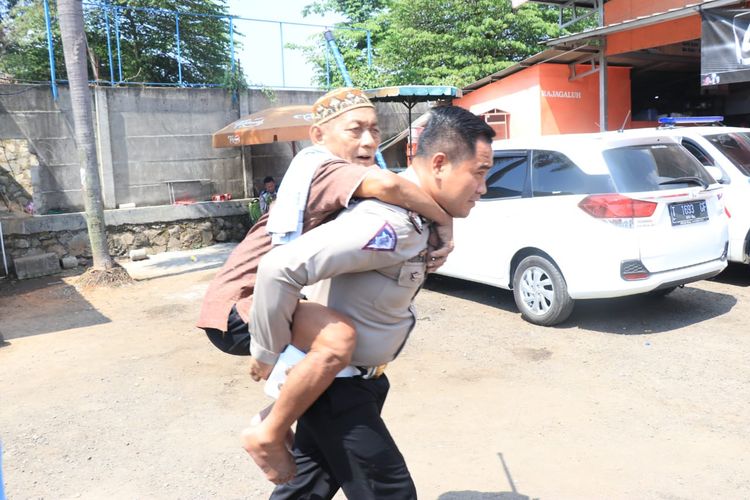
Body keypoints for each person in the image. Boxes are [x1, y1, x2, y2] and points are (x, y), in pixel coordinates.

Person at [197, 88, 455, 483]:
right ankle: (266, 431)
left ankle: (275, 421)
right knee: (337, 341)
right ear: (319, 135)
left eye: (374, 129)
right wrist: (444, 221)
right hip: (242, 302)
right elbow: (389, 187)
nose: (368, 141)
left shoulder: (322, 169)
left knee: (318, 442)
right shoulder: (328, 167)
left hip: (262, 297)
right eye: (355, 130)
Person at [247, 105, 495, 498]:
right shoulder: (393, 223)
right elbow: (279, 267)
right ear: (441, 164)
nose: (483, 187)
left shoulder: (418, 220)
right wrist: (267, 351)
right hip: (338, 391)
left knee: (304, 490)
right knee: (391, 493)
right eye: (479, 173)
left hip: (353, 384)